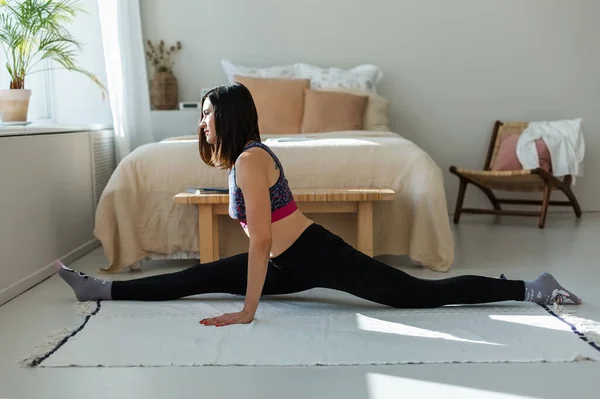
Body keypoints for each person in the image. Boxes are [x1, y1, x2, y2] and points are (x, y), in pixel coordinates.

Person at [56, 83, 582, 327]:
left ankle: (530, 288)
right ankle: (101, 289)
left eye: (208, 114)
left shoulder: (250, 161)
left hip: (313, 255)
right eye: (201, 114)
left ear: (230, 117)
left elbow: (261, 240)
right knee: (196, 277)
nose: (202, 122)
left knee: (417, 298)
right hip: (291, 258)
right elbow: (263, 220)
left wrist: (247, 311)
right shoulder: (245, 161)